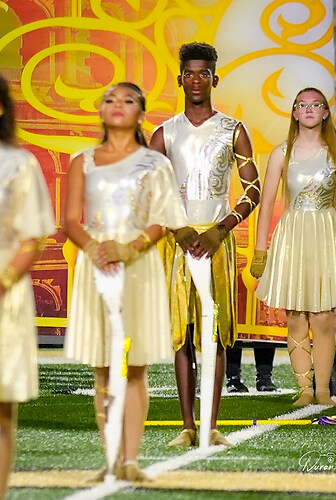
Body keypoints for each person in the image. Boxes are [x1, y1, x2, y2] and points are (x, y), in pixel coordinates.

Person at [63, 82, 187, 481]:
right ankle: (111, 459)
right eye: (110, 100)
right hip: (97, 267)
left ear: (141, 113)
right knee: (103, 367)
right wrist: (95, 249)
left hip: (138, 268)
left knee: (134, 366)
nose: (118, 105)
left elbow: (162, 219)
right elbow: (70, 220)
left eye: (128, 100)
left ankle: (131, 461)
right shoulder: (82, 161)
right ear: (100, 110)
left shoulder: (156, 164)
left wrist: (129, 248)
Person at [150, 42, 261, 446]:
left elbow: (252, 190)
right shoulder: (164, 133)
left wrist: (220, 229)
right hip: (177, 242)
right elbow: (149, 191)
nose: (196, 80)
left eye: (204, 73)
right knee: (182, 334)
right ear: (180, 79)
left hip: (217, 242)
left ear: (215, 78)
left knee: (213, 332)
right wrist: (177, 229)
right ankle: (187, 426)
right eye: (189, 73)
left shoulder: (233, 130)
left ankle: (212, 426)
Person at [251, 87, 336, 407]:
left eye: (316, 105)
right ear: (294, 112)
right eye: (301, 105)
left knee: (323, 318)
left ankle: (323, 391)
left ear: (326, 113)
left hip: (326, 236)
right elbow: (266, 205)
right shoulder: (281, 153)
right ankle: (304, 389)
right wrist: (260, 251)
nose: (308, 109)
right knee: (295, 317)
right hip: (292, 237)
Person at [0, 75, 54, 500]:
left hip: (4, 292)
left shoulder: (19, 164)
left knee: (1, 408)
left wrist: (2, 282)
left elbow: (31, 238)